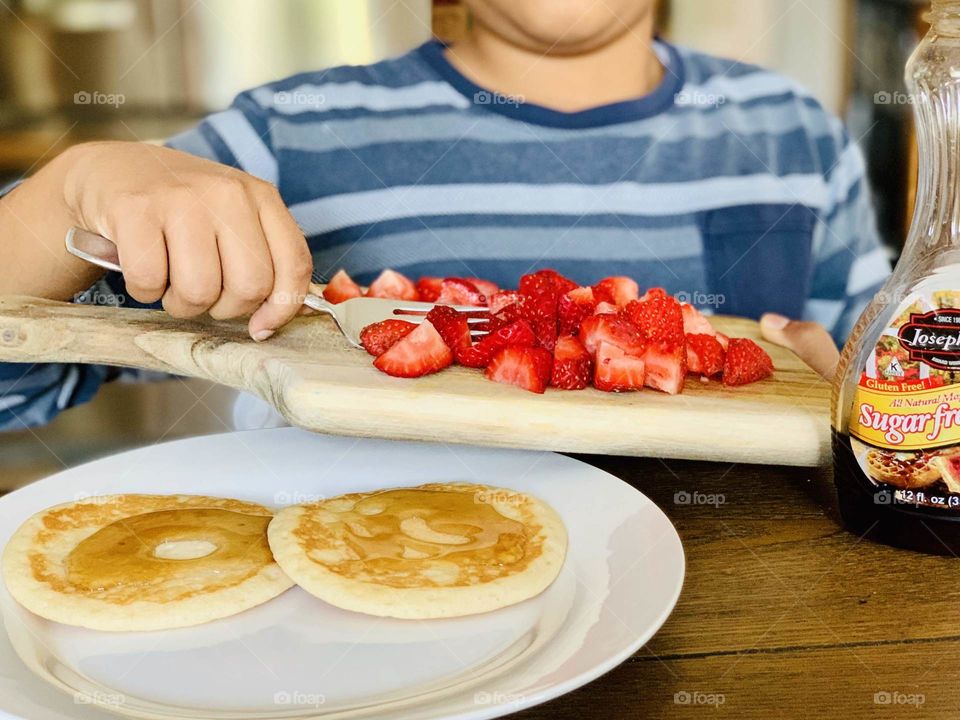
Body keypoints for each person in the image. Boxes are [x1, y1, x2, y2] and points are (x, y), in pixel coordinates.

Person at [0, 0, 888, 430]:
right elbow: (15, 388)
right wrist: (69, 191)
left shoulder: (793, 132)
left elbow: (908, 406)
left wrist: (861, 400)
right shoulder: (281, 136)